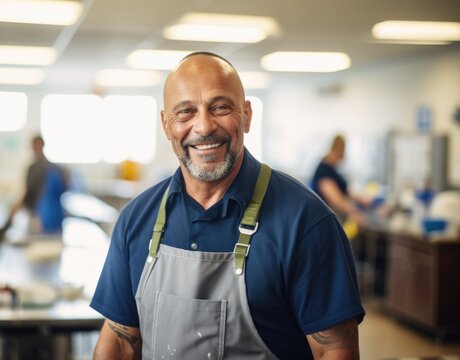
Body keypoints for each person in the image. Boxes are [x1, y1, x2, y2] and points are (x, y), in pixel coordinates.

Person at [90, 52, 364, 359]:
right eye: (186, 112)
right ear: (166, 124)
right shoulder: (136, 219)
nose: (204, 126)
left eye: (220, 107)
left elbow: (334, 351)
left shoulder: (305, 222)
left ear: (247, 115)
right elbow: (118, 341)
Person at [1, 135, 68, 236]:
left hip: (39, 215)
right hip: (47, 215)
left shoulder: (41, 168)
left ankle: (2, 232)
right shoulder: (54, 168)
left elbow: (28, 192)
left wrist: (16, 208)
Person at [311, 134, 368, 229]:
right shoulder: (324, 170)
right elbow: (335, 199)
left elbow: (343, 192)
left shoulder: (332, 169)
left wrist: (361, 199)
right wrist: (354, 213)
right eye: (344, 151)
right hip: (327, 221)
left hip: (338, 216)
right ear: (339, 150)